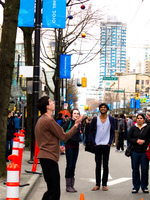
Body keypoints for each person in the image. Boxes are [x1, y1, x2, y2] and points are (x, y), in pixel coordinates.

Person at [35, 96, 84, 200]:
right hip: (49, 159)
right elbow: (64, 136)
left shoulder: (42, 120)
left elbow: (47, 139)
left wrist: (58, 148)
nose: (53, 102)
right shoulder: (48, 121)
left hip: (47, 157)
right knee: (54, 192)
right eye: (51, 101)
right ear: (47, 107)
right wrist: (75, 125)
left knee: (52, 190)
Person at [90, 103, 115, 191]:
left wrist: (110, 142)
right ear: (99, 109)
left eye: (104, 107)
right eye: (101, 107)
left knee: (105, 165)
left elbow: (113, 131)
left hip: (106, 145)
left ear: (107, 109)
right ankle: (97, 184)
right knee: (98, 165)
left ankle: (104, 184)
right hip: (97, 145)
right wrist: (94, 142)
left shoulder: (111, 119)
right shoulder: (95, 119)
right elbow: (90, 131)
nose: (103, 108)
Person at [127, 113, 150, 194]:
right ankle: (136, 187)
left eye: (141, 118)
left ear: (144, 119)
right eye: (138, 118)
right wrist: (136, 141)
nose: (139, 119)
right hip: (135, 152)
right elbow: (129, 138)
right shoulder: (133, 128)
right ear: (136, 119)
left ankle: (144, 186)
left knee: (144, 170)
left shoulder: (147, 128)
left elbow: (149, 139)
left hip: (144, 152)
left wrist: (144, 141)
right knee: (135, 170)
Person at [62, 108, 81, 193]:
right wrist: (62, 145)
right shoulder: (69, 122)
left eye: (77, 113)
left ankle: (72, 185)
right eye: (74, 113)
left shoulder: (79, 123)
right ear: (71, 114)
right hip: (69, 145)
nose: (76, 115)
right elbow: (62, 132)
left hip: (76, 146)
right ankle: (68, 185)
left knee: (73, 165)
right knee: (69, 165)